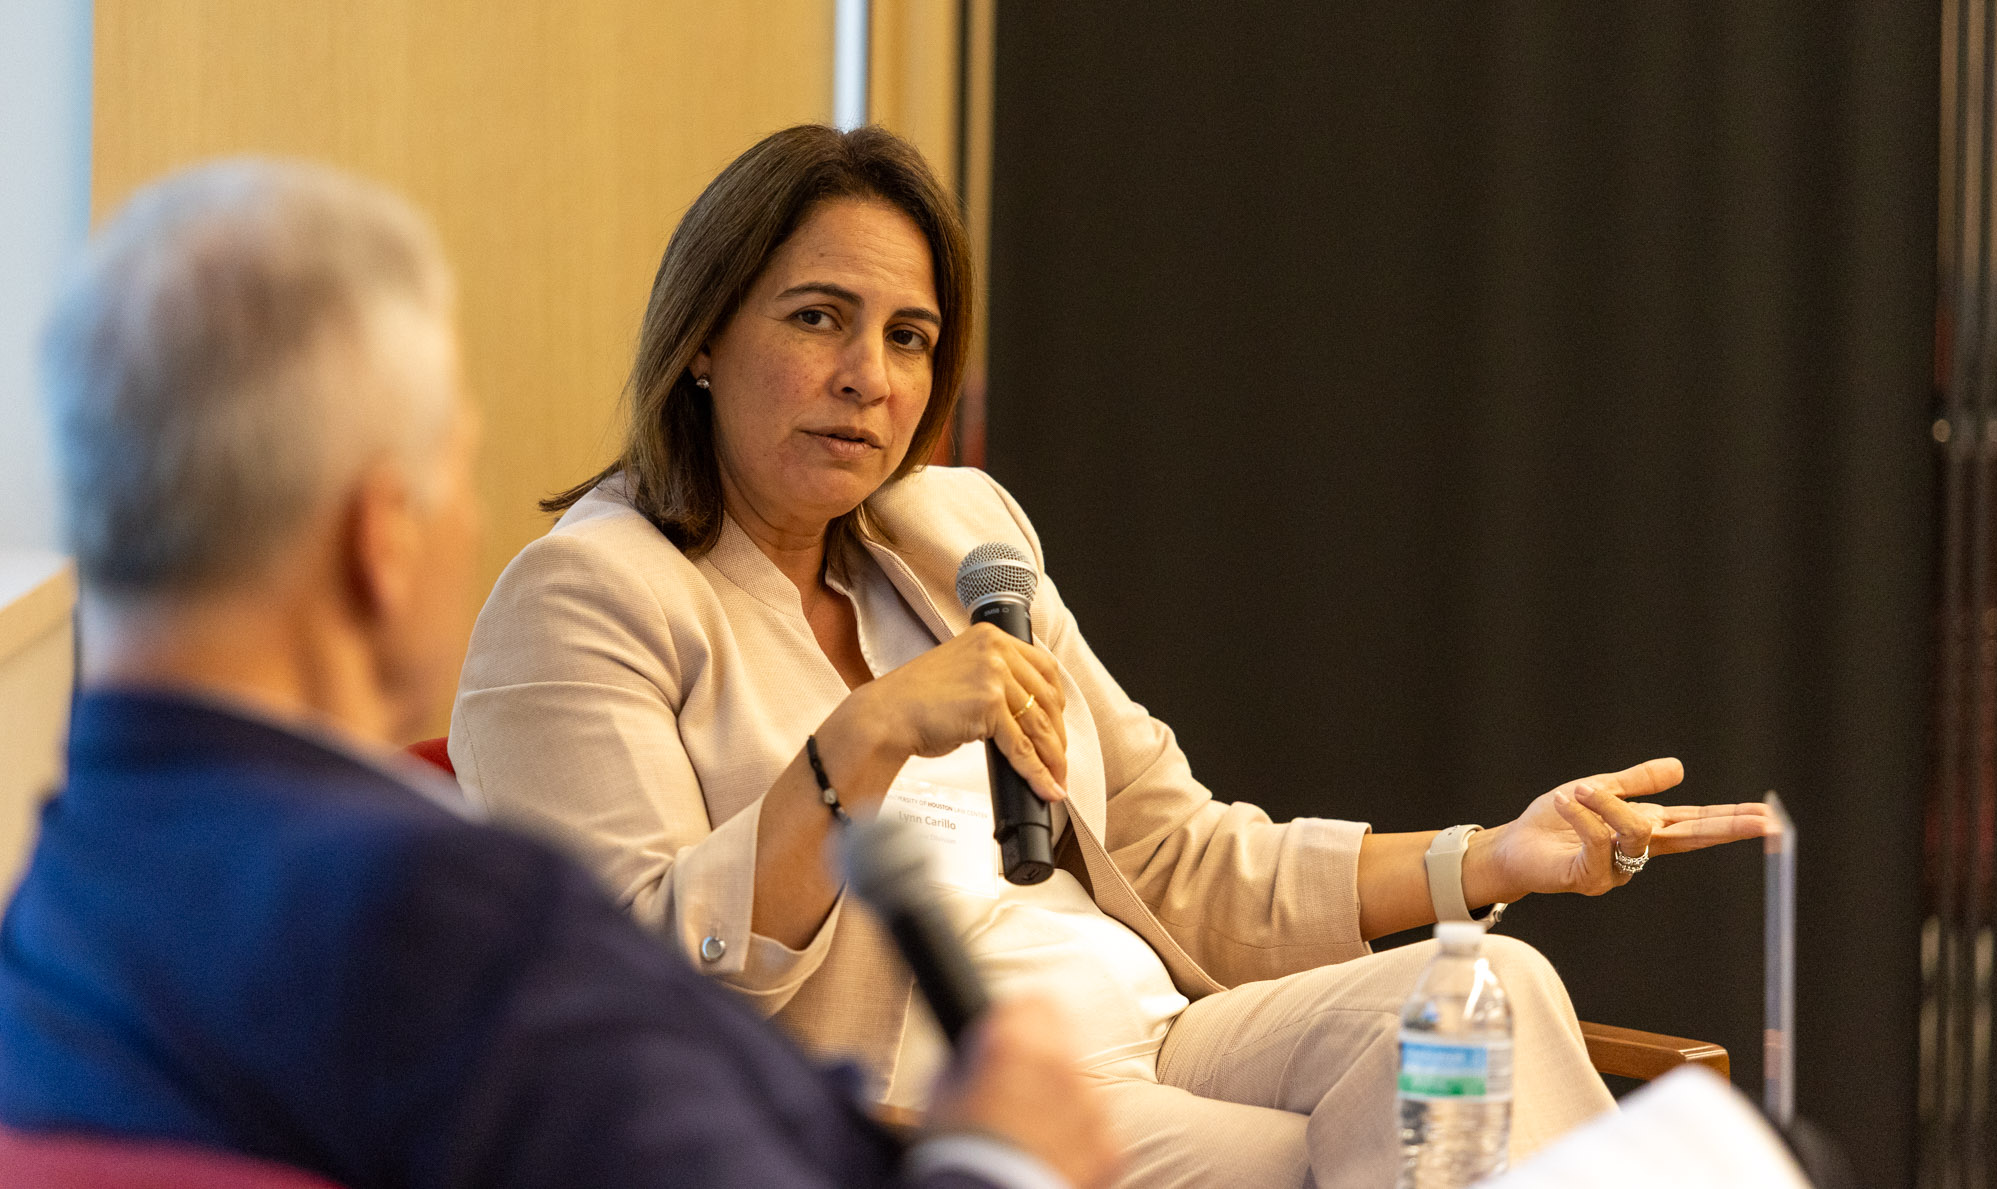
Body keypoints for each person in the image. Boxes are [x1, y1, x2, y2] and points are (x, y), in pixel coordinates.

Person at [451, 124, 1771, 1187]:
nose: (869, 376)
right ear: (701, 337)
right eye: (815, 318)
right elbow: (623, 999)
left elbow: (1171, 852)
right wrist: (858, 742)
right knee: (1345, 1161)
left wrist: (1490, 859)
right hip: (943, 1109)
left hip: (1164, 1032)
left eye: (908, 337)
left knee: (1482, 991)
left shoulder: (953, 531)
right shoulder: (586, 595)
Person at [0, 159, 1118, 1189]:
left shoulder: (57, 897)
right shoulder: (449, 922)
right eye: (460, 474)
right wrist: (998, 1162)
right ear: (380, 540)